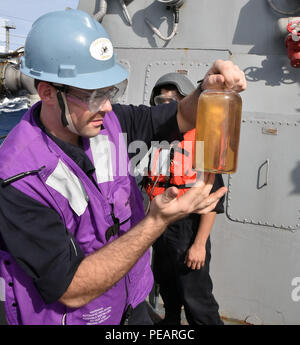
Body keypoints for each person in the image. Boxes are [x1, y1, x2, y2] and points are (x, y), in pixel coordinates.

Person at [0, 9, 246, 325]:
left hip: (132, 307)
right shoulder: (18, 178)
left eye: (109, 91)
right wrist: (158, 220)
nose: (106, 105)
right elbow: (70, 289)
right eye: (92, 95)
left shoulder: (111, 123)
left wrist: (207, 87)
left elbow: (179, 116)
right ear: (47, 92)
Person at [145, 73, 224, 325]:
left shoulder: (201, 142)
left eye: (175, 100)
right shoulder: (155, 142)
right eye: (161, 100)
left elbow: (213, 200)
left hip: (188, 230)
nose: (167, 105)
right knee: (169, 295)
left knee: (197, 301)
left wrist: (199, 244)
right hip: (161, 229)